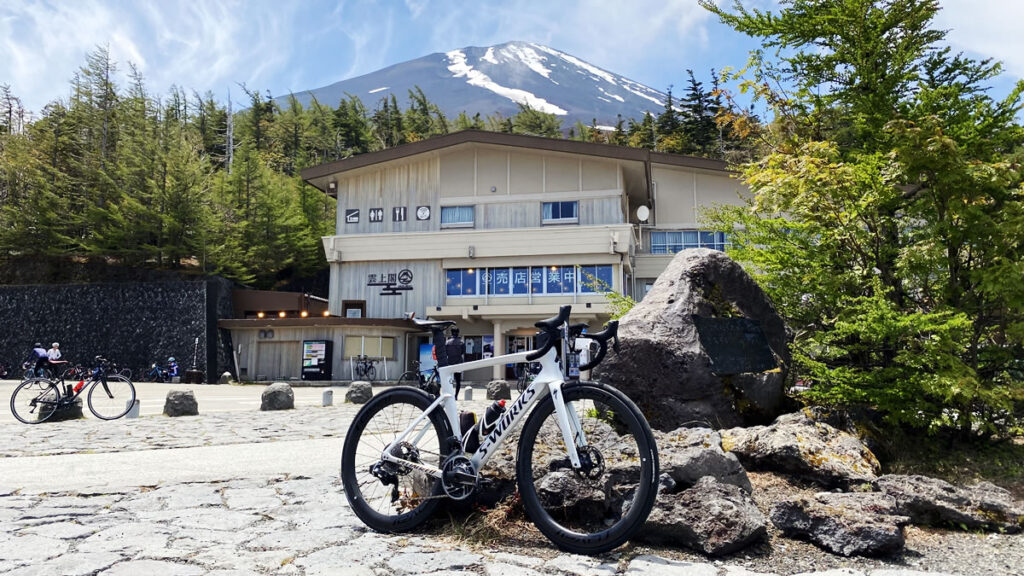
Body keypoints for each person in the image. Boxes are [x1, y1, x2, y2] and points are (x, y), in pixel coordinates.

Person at [445, 327, 466, 397]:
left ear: (451, 333)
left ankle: (449, 394)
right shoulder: (461, 342)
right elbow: (463, 352)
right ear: (458, 333)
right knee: (458, 381)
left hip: (449, 362)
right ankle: (456, 395)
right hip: (458, 362)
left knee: (448, 381)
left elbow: (446, 352)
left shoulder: (447, 342)